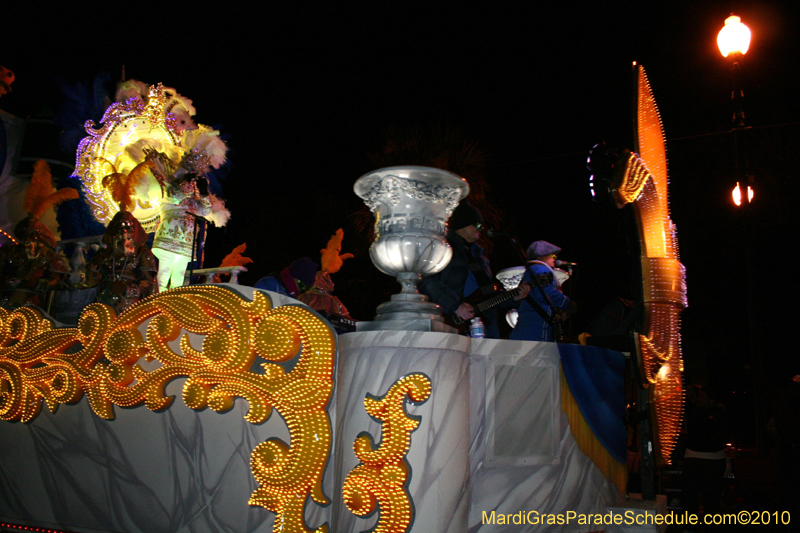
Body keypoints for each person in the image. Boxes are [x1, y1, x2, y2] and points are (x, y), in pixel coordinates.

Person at [418, 201, 529, 338]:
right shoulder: (442, 249)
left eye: (481, 226)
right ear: (461, 225)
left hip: (486, 326)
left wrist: (513, 297)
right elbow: (426, 281)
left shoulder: (480, 257)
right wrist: (455, 306)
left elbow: (487, 298)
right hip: (452, 323)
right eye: (476, 225)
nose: (480, 229)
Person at [509, 240, 573, 342]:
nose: (554, 259)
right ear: (542, 256)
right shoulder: (541, 269)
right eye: (553, 256)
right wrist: (567, 303)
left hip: (527, 327)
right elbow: (546, 293)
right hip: (537, 327)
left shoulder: (531, 270)